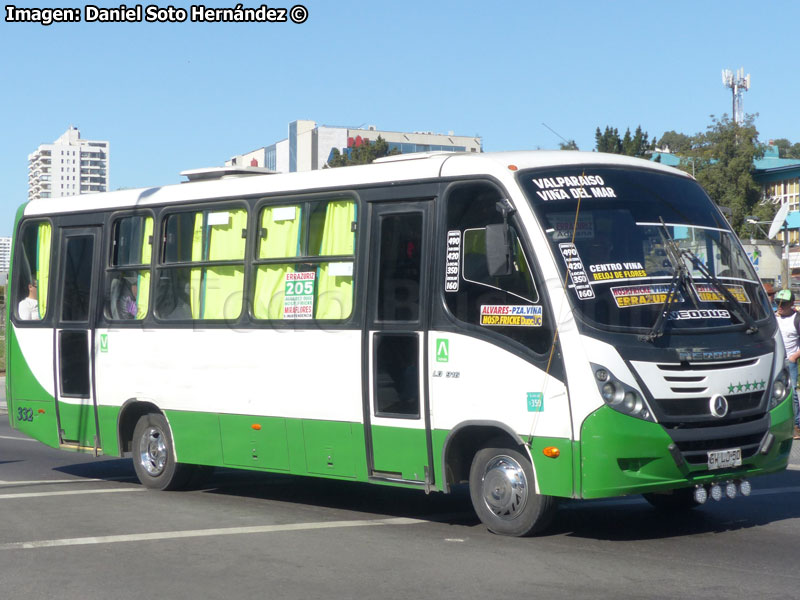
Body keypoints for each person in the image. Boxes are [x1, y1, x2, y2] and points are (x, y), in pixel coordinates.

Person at [775, 289, 800, 439]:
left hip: (789, 361)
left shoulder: (797, 319)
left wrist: (794, 356)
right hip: (775, 361)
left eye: (783, 303)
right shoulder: (773, 317)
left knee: (792, 395)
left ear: (791, 304)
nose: (779, 306)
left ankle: (797, 425)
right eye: (777, 302)